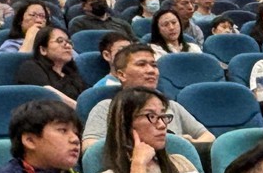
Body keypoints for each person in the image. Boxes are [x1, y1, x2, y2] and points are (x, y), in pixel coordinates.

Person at [91, 86, 226, 173]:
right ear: (125, 124)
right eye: (151, 116)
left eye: (163, 116)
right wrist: (139, 164)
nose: (162, 125)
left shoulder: (180, 162)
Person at [82, 45, 212, 144]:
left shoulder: (171, 106)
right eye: (141, 64)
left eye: (154, 65)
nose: (151, 70)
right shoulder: (107, 108)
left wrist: (187, 143)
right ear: (121, 75)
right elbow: (90, 147)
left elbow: (208, 137)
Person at [17, 26, 86, 103]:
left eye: (69, 42)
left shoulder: (71, 72)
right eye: (60, 41)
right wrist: (79, 108)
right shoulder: (30, 67)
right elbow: (46, 92)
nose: (68, 46)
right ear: (43, 50)